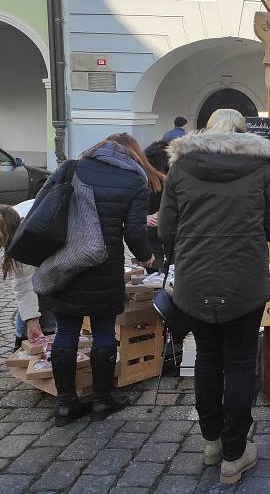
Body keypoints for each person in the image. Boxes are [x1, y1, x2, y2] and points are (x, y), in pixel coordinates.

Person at [158, 108, 270, 484]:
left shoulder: (181, 167)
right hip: (243, 285)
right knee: (238, 364)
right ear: (243, 133)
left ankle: (212, 442)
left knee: (207, 360)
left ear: (206, 129)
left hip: (195, 282)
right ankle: (235, 454)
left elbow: (166, 229)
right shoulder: (262, 167)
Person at [47, 133, 160, 426]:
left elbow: (44, 209)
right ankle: (101, 399)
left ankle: (65, 404)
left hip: (65, 261)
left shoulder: (72, 168)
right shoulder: (134, 181)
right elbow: (135, 233)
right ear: (133, 155)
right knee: (104, 332)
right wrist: (147, 259)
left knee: (66, 330)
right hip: (103, 264)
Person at [0, 204, 56, 349]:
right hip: (46, 288)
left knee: (39, 335)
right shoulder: (22, 229)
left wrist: (32, 320)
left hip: (46, 293)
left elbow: (25, 285)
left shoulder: (23, 245)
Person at [144, 139, 170, 272]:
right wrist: (145, 217)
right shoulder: (147, 174)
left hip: (176, 236)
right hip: (153, 233)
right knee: (154, 271)